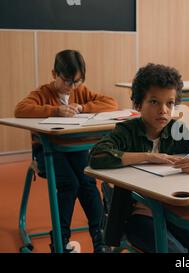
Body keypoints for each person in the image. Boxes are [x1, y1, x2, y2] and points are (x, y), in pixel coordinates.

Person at [89, 63, 189, 253]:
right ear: (139, 103)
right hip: (136, 216)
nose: (163, 110)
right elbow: (97, 156)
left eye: (170, 103)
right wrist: (147, 157)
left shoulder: (176, 130)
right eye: (154, 102)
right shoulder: (126, 131)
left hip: (172, 211)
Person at [14, 49, 118, 253]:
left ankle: (101, 240)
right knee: (69, 183)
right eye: (67, 81)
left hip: (75, 149)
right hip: (47, 152)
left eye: (77, 81)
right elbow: (21, 109)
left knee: (88, 181)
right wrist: (55, 110)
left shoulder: (80, 91)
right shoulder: (42, 93)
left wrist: (83, 107)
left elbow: (111, 103)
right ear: (54, 74)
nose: (72, 87)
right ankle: (60, 242)